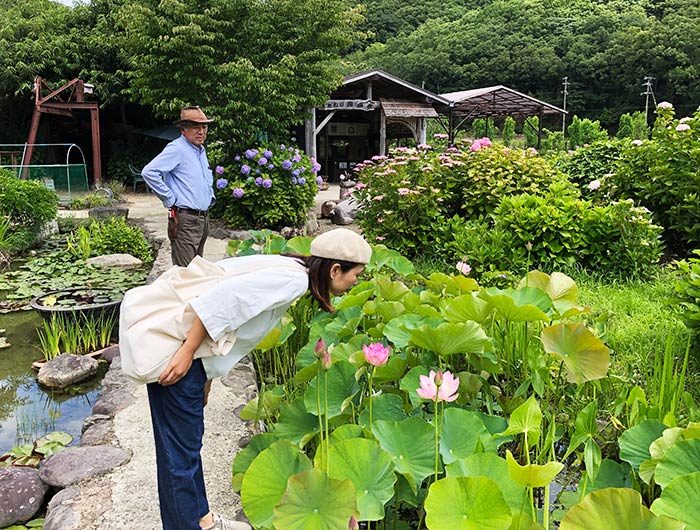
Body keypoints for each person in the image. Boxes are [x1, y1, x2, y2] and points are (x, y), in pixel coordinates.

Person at [146, 228, 372, 530]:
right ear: (334, 269)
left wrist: (207, 376)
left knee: (185, 450)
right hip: (180, 356)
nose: (357, 281)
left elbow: (227, 316)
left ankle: (202, 519)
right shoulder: (292, 281)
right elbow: (217, 302)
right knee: (179, 459)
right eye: (357, 274)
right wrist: (188, 353)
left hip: (194, 362)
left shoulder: (291, 266)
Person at [142, 106, 215, 267]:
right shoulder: (177, 149)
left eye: (204, 126)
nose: (201, 131)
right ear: (183, 129)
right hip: (186, 219)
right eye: (195, 127)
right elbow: (149, 172)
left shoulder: (200, 150)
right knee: (186, 272)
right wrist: (169, 198)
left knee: (198, 269)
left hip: (202, 219)